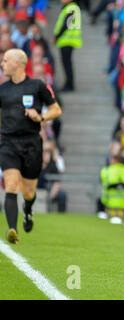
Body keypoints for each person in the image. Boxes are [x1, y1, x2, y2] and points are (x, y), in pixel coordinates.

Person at [0, 48, 62, 244]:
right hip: (9, 143)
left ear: (17, 63)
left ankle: (28, 209)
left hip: (32, 143)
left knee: (28, 192)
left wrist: (41, 117)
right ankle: (12, 229)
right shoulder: (2, 89)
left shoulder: (37, 86)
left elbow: (56, 109)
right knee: (11, 186)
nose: (2, 64)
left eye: (5, 60)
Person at [53, 0, 83, 92]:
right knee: (67, 63)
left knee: (67, 64)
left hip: (67, 40)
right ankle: (69, 83)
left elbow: (66, 23)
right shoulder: (71, 7)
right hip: (66, 40)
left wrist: (57, 36)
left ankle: (69, 84)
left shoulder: (72, 8)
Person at [100, 153, 124, 217]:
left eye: (111, 160)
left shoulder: (106, 171)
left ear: (115, 160)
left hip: (110, 205)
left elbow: (103, 185)